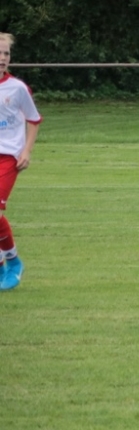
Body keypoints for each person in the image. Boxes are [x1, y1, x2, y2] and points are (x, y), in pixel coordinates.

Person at [0, 33, 42, 292]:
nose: (3, 58)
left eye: (6, 53)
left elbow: (34, 120)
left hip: (8, 158)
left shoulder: (17, 88)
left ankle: (14, 262)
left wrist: (26, 151)